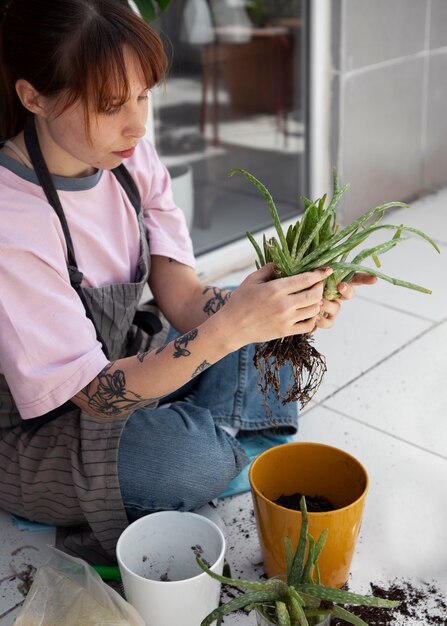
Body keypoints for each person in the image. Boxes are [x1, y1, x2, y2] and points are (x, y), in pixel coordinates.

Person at [0, 0, 375, 561]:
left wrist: (280, 303)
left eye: (143, 95)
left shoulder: (131, 161)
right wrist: (231, 330)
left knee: (257, 330)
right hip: (46, 431)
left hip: (128, 357)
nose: (138, 124)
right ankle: (212, 448)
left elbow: (185, 299)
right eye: (109, 105)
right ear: (33, 97)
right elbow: (98, 397)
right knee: (184, 454)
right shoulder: (12, 220)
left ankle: (206, 445)